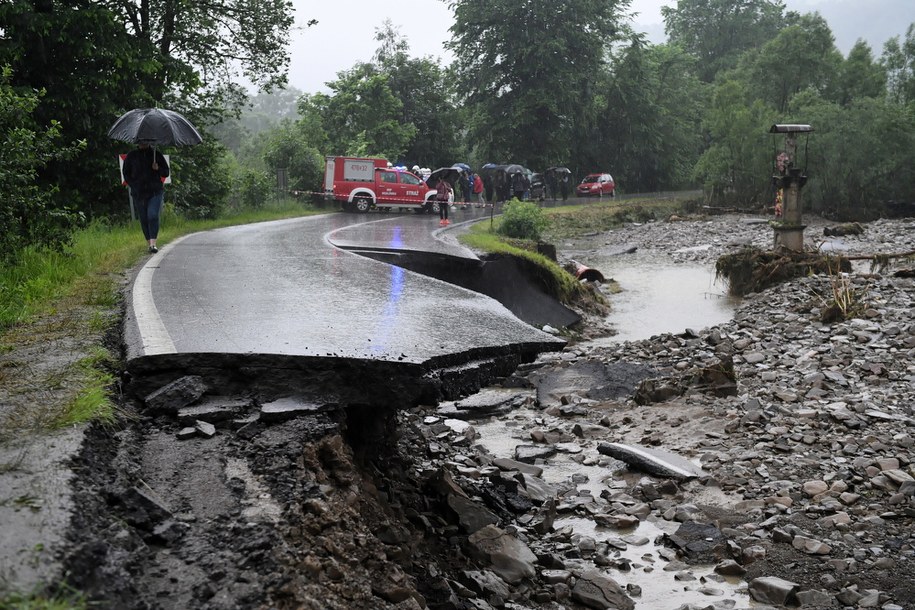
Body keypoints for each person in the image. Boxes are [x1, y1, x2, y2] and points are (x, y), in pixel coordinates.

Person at [123, 142, 170, 253]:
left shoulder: (156, 155)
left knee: (152, 215)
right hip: (139, 193)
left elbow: (166, 172)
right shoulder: (131, 156)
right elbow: (126, 173)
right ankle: (150, 244)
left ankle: (153, 244)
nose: (143, 143)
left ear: (149, 141)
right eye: (141, 141)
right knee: (144, 218)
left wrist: (158, 168)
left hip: (155, 191)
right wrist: (134, 185)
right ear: (137, 142)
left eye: (145, 141)